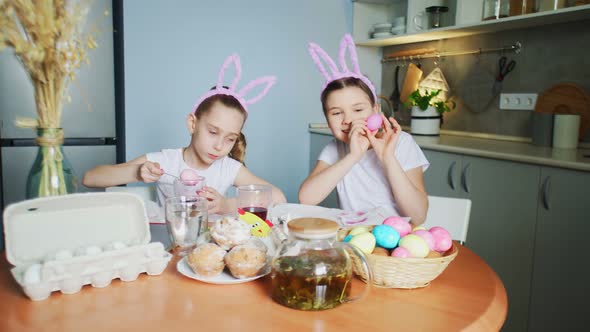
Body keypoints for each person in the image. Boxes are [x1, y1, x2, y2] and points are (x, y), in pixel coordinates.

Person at [83, 54, 286, 215]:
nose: (219, 145)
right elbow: (91, 178)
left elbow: (278, 197)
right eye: (213, 132)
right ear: (192, 124)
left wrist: (226, 205)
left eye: (230, 138)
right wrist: (136, 172)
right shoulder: (166, 161)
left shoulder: (229, 169)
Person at [298, 34, 429, 225]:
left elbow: (418, 216)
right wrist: (353, 156)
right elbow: (306, 199)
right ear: (327, 120)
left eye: (358, 109)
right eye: (336, 113)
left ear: (375, 110)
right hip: (355, 240)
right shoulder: (336, 148)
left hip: (399, 241)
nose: (349, 120)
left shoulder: (401, 143)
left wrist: (387, 158)